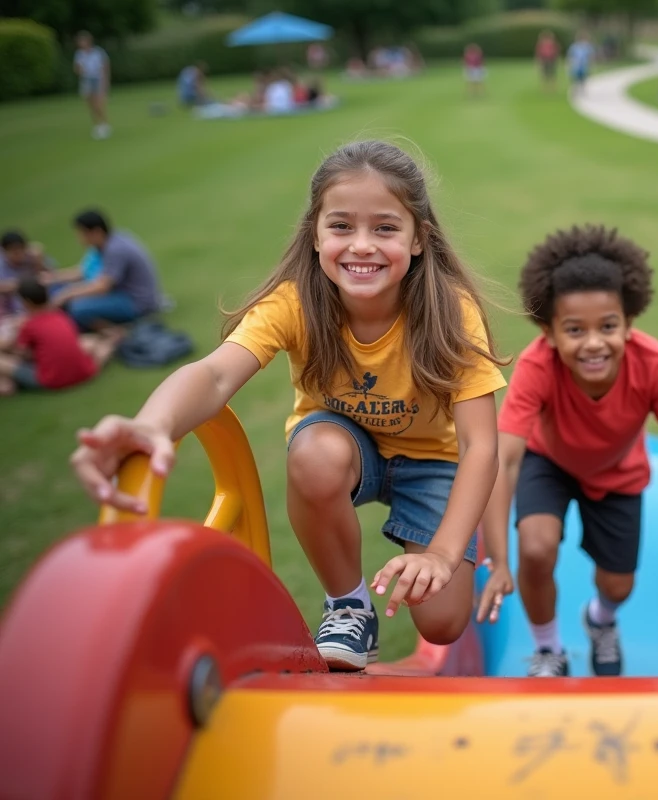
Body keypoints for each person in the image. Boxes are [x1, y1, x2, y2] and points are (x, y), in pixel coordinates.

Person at [68, 140, 509, 672]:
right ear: (316, 234)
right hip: (345, 448)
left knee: (442, 620)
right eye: (342, 226)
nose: (362, 245)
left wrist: (442, 552)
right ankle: (349, 605)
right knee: (314, 454)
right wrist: (153, 423)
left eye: (386, 228)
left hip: (433, 460)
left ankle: (427, 573)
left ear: (419, 240)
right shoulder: (296, 301)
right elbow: (212, 374)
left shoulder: (449, 311)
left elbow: (481, 446)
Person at [476, 225, 658, 677]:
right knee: (534, 548)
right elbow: (507, 457)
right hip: (548, 463)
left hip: (618, 471)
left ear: (628, 323)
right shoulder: (538, 365)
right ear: (549, 333)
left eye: (607, 326)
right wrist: (497, 557)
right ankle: (549, 649)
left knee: (618, 584)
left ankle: (600, 620)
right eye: (575, 329)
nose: (593, 342)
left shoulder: (653, 364)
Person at [0, 277, 118, 396]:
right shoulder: (61, 315)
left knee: (4, 361)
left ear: (27, 302)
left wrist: (11, 339)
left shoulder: (29, 325)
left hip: (53, 380)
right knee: (89, 342)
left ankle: (7, 384)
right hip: (83, 372)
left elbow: (21, 355)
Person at [54, 210, 163, 331]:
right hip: (125, 295)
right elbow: (82, 271)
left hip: (137, 302)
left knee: (79, 308)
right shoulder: (108, 243)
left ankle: (115, 333)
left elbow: (103, 287)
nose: (80, 239)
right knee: (74, 301)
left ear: (96, 232)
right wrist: (52, 278)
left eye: (82, 233)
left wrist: (69, 293)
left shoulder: (115, 249)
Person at [73, 32, 110, 140]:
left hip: (97, 79)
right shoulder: (79, 54)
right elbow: (77, 68)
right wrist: (80, 70)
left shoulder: (97, 52)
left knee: (99, 103)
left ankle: (104, 124)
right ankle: (97, 125)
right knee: (90, 104)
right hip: (86, 79)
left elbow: (105, 66)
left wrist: (105, 80)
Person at [566, 32, 595, 98]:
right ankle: (575, 91)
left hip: (584, 66)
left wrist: (591, 65)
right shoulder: (574, 47)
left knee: (583, 79)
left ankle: (582, 91)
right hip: (576, 66)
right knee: (575, 79)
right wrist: (569, 64)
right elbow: (570, 56)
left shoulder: (588, 47)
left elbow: (591, 57)